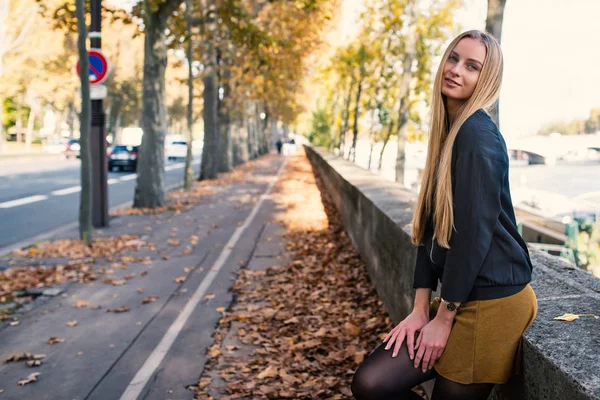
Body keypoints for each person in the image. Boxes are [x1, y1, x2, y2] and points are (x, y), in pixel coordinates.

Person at [350, 30, 538, 400]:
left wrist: (444, 317)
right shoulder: (450, 132)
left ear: (486, 80)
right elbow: (431, 230)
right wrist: (421, 309)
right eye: (453, 58)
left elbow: (471, 239)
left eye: (472, 66)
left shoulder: (477, 137)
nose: (456, 70)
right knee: (371, 384)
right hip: (461, 296)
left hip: (492, 302)